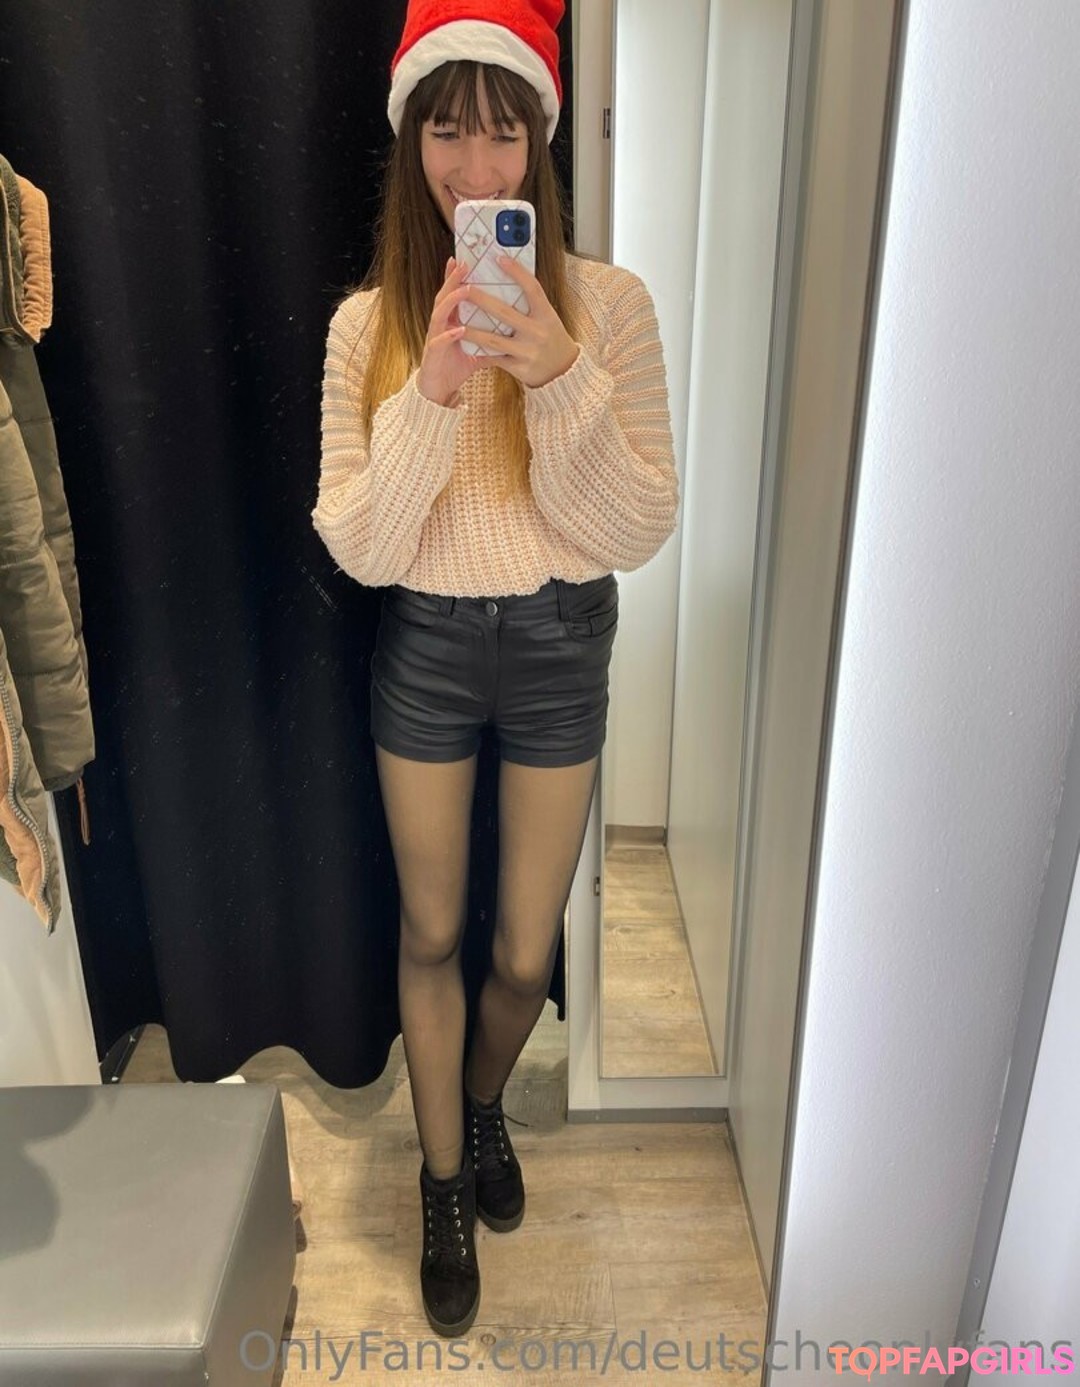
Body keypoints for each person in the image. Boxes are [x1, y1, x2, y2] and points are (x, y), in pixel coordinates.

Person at [312, 0, 679, 1338]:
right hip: (427, 644)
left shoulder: (612, 307)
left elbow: (640, 527)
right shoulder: (369, 329)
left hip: (563, 639)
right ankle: (442, 1182)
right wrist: (436, 390)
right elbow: (359, 546)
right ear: (411, 139)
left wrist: (561, 376)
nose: (476, 168)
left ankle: (475, 1106)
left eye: (503, 131)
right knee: (429, 932)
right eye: (448, 132)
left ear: (541, 141)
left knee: (524, 952)